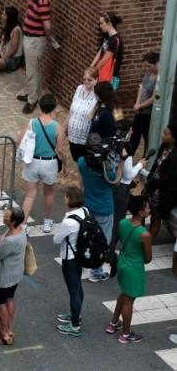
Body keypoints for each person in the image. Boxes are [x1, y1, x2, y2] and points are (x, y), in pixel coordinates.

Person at [107, 195, 152, 344]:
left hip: (122, 264)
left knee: (124, 295)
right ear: (140, 212)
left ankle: (113, 324)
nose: (149, 209)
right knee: (129, 302)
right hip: (134, 269)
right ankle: (125, 334)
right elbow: (148, 259)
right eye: (147, 207)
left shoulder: (123, 223)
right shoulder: (144, 234)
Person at [19, 94, 65, 233]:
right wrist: (65, 164)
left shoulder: (31, 123)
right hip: (49, 163)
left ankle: (23, 225)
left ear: (40, 107)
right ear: (54, 108)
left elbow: (20, 140)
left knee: (30, 195)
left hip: (32, 162)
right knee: (48, 193)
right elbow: (60, 150)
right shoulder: (58, 127)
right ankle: (47, 222)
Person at [78, 134, 119, 282]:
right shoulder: (107, 169)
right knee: (103, 241)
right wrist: (118, 161)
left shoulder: (81, 162)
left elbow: (81, 183)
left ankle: (88, 263)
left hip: (89, 206)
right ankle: (96, 272)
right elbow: (116, 181)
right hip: (105, 209)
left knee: (90, 238)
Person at [0, 207, 26, 346]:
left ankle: (5, 334)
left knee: (1, 304)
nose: (4, 217)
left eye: (7, 216)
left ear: (13, 221)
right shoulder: (20, 230)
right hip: (15, 274)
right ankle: (8, 328)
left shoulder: (10, 240)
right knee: (10, 298)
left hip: (5, 277)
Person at [16, 0, 52, 114]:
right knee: (34, 69)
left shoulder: (43, 3)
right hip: (29, 38)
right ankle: (35, 95)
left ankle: (32, 101)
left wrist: (49, 38)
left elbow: (47, 25)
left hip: (35, 41)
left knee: (31, 72)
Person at [54, 187, 87, 337]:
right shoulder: (85, 211)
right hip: (80, 256)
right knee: (77, 287)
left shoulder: (69, 221)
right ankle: (75, 314)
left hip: (70, 259)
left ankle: (74, 325)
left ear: (69, 199)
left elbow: (56, 239)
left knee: (73, 291)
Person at [146, 125, 177, 240]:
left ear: (173, 137)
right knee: (153, 217)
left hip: (162, 193)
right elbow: (156, 166)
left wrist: (154, 182)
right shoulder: (164, 148)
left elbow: (169, 179)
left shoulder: (175, 156)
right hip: (154, 189)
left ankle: (146, 243)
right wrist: (149, 179)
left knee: (155, 219)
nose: (162, 135)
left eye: (166, 134)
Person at [65, 67, 99, 162]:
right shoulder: (79, 88)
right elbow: (71, 109)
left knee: (83, 161)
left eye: (89, 80)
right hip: (72, 133)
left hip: (85, 137)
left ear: (96, 80)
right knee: (76, 159)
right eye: (84, 79)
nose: (86, 82)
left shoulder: (97, 95)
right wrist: (65, 126)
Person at [129, 51, 159, 157]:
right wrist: (137, 103)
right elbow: (141, 87)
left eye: (149, 66)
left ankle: (145, 158)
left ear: (156, 63)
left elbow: (153, 99)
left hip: (147, 112)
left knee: (147, 136)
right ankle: (129, 156)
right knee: (135, 135)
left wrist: (140, 106)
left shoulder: (159, 78)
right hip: (140, 109)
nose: (147, 68)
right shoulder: (148, 73)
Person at [91, 12, 125, 90]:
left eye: (102, 23)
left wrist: (93, 72)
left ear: (109, 23)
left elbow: (104, 59)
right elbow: (100, 52)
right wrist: (91, 66)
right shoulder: (107, 37)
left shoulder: (115, 40)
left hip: (111, 76)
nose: (100, 26)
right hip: (102, 73)